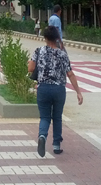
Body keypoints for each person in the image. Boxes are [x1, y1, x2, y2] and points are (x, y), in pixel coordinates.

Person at [28, 25, 83, 157]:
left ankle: (42, 136)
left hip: (43, 88)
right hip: (59, 89)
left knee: (45, 117)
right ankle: (57, 145)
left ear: (45, 38)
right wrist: (78, 92)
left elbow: (31, 68)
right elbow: (70, 74)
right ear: (57, 38)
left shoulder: (38, 51)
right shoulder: (62, 54)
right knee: (57, 117)